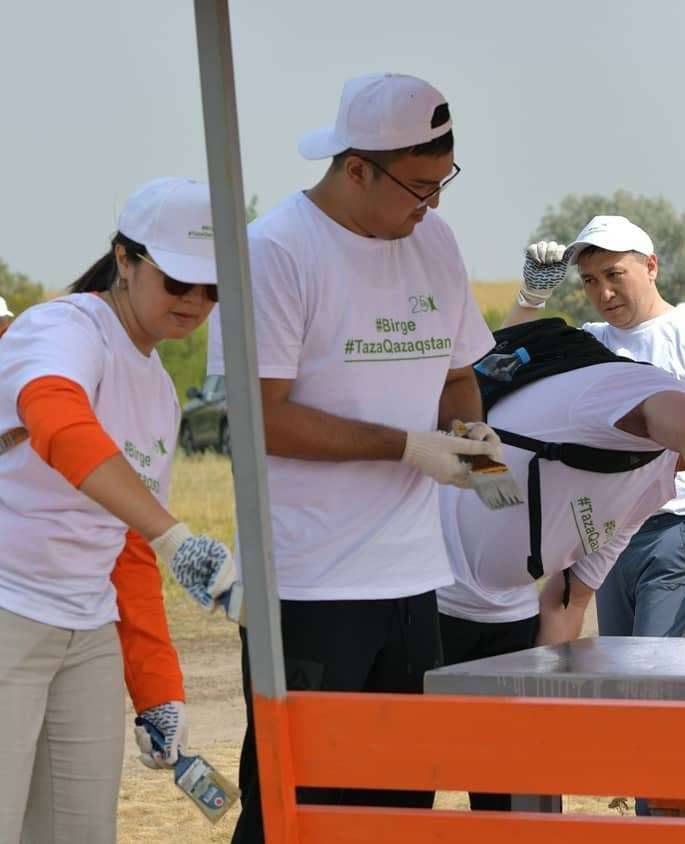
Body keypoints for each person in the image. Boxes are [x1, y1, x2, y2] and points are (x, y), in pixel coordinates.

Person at [205, 73, 500, 842]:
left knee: (401, 803)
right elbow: (262, 419)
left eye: (442, 184)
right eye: (417, 186)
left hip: (412, 579)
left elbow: (459, 373)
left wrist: (471, 433)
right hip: (305, 582)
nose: (431, 204)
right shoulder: (274, 252)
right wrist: (404, 446)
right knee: (295, 802)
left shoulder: (433, 240)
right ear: (356, 167)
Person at [437, 361, 685, 809]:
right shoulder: (647, 391)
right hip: (425, 599)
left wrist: (544, 710)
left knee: (526, 809)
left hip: (506, 619)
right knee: (393, 789)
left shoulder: (649, 488)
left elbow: (568, 601)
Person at [0, 177, 236, 844]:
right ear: (125, 260)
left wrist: (160, 691)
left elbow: (127, 550)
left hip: (88, 634)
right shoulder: (64, 329)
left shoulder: (159, 392)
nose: (194, 302)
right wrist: (175, 536)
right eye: (177, 281)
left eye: (211, 289)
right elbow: (56, 421)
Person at [506, 215, 685, 638]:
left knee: (662, 670)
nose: (602, 293)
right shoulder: (592, 342)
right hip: (604, 531)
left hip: (680, 528)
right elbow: (506, 361)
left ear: (651, 267)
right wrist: (532, 296)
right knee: (622, 667)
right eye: (588, 280)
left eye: (614, 274)